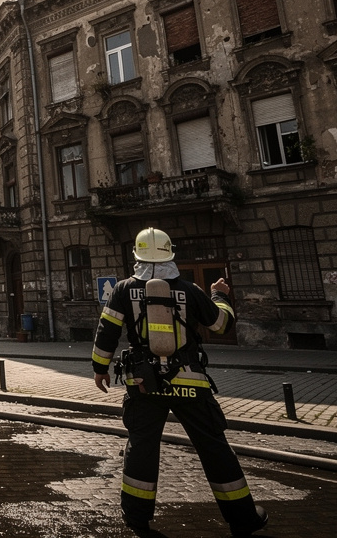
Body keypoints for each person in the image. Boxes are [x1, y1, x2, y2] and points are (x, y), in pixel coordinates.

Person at [92, 228, 267, 537]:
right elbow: (223, 324)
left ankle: (137, 518)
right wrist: (220, 296)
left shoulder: (122, 289)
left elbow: (106, 331)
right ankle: (243, 518)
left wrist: (100, 368)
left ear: (137, 256)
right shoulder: (190, 290)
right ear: (170, 255)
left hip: (144, 386)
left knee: (142, 447)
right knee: (214, 448)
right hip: (191, 384)